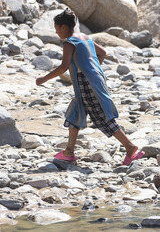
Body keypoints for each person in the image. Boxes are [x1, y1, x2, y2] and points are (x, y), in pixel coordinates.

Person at [35, 9, 144, 166]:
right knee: (76, 111)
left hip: (85, 83)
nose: (56, 31)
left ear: (64, 27)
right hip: (95, 80)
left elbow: (64, 66)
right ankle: (69, 151)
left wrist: (44, 79)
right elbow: (103, 53)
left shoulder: (69, 42)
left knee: (101, 116)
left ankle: (130, 147)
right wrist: (92, 69)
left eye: (56, 28)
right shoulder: (85, 38)